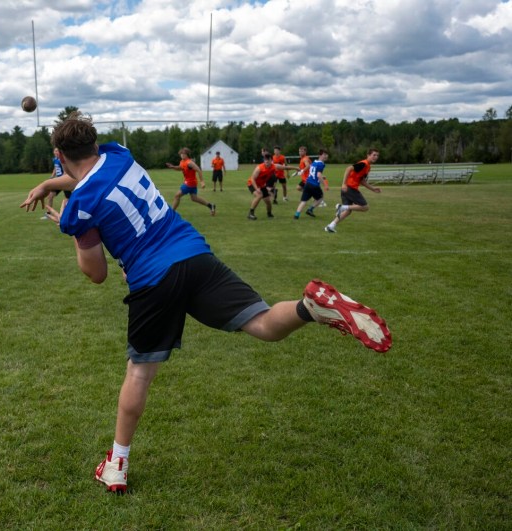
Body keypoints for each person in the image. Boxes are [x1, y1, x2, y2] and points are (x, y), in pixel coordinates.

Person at [19, 112, 392, 494]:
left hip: (153, 278)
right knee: (262, 323)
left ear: (58, 152)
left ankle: (116, 464)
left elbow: (96, 273)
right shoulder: (119, 155)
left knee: (140, 372)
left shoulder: (81, 203)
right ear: (95, 145)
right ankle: (308, 308)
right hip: (193, 254)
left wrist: (67, 223)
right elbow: (86, 173)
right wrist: (49, 182)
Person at [325, 149, 382, 233]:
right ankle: (341, 207)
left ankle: (331, 226)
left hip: (347, 188)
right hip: (349, 188)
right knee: (365, 207)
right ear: (368, 155)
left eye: (377, 155)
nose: (376, 157)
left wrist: (372, 188)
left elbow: (361, 181)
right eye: (374, 155)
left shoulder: (368, 167)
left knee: (348, 211)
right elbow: (348, 168)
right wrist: (344, 184)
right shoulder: (364, 163)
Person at [166, 148, 216, 216]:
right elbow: (180, 168)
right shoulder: (182, 162)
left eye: (183, 154)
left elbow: (198, 170)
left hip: (189, 183)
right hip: (191, 183)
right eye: (181, 154)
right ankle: (211, 206)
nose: (182, 155)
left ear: (187, 155)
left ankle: (171, 213)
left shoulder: (189, 163)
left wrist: (202, 181)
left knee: (177, 196)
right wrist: (172, 167)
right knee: (194, 198)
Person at [246, 154, 294, 220]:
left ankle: (269, 214)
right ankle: (250, 214)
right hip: (252, 183)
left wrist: (296, 168)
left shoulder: (274, 166)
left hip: (261, 185)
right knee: (259, 195)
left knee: (268, 201)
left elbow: (285, 167)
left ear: (271, 160)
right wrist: (257, 189)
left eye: (268, 160)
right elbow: (252, 179)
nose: (266, 161)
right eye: (265, 160)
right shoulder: (259, 168)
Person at [294, 149, 330, 219]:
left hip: (307, 183)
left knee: (304, 200)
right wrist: (325, 185)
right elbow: (318, 175)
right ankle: (310, 209)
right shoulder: (321, 164)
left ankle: (296, 215)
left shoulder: (314, 162)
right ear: (320, 155)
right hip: (314, 185)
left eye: (326, 155)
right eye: (324, 155)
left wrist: (322, 177)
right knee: (320, 198)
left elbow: (314, 173)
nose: (326, 156)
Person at [41, 149, 72, 219]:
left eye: (57, 151)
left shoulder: (62, 159)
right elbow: (55, 168)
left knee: (68, 198)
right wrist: (52, 176)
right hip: (58, 182)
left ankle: (69, 213)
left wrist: (61, 179)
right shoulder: (55, 159)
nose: (56, 152)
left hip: (63, 181)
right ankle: (48, 214)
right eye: (55, 151)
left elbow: (65, 171)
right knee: (50, 196)